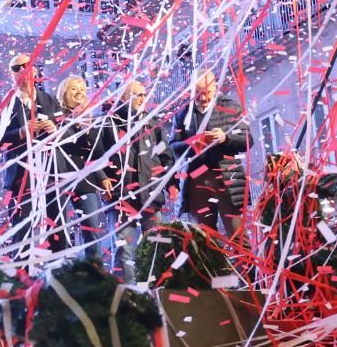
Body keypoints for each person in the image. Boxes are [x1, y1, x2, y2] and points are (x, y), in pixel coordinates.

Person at [173, 69, 250, 237]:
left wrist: (225, 138)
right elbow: (173, 146)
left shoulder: (230, 107)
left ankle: (244, 264)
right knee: (204, 238)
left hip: (226, 178)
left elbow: (247, 140)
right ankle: (212, 263)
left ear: (215, 87)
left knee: (237, 234)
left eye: (206, 92)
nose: (202, 98)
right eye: (198, 93)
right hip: (195, 181)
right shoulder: (182, 114)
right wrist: (191, 144)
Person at [104, 79, 169, 265]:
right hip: (121, 197)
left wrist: (171, 183)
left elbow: (167, 157)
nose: (143, 98)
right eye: (138, 95)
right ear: (124, 97)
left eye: (143, 94)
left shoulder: (152, 122)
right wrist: (102, 180)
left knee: (157, 248)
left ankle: (157, 290)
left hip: (151, 195)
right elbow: (97, 157)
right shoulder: (108, 123)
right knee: (123, 250)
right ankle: (126, 293)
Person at [49, 75, 110, 261]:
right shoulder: (55, 115)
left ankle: (94, 272)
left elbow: (95, 153)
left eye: (82, 89)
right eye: (74, 88)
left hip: (85, 178)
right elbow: (64, 141)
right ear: (64, 92)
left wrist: (102, 176)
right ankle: (63, 272)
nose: (79, 92)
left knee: (92, 229)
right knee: (62, 230)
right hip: (59, 177)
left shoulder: (90, 116)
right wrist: (77, 124)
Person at [0, 53, 60, 212]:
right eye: (17, 68)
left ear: (35, 70)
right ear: (11, 73)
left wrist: (55, 129)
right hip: (20, 174)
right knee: (21, 229)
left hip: (51, 172)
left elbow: (68, 131)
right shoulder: (4, 104)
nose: (23, 70)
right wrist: (22, 131)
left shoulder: (51, 100)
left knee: (56, 227)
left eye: (27, 65)